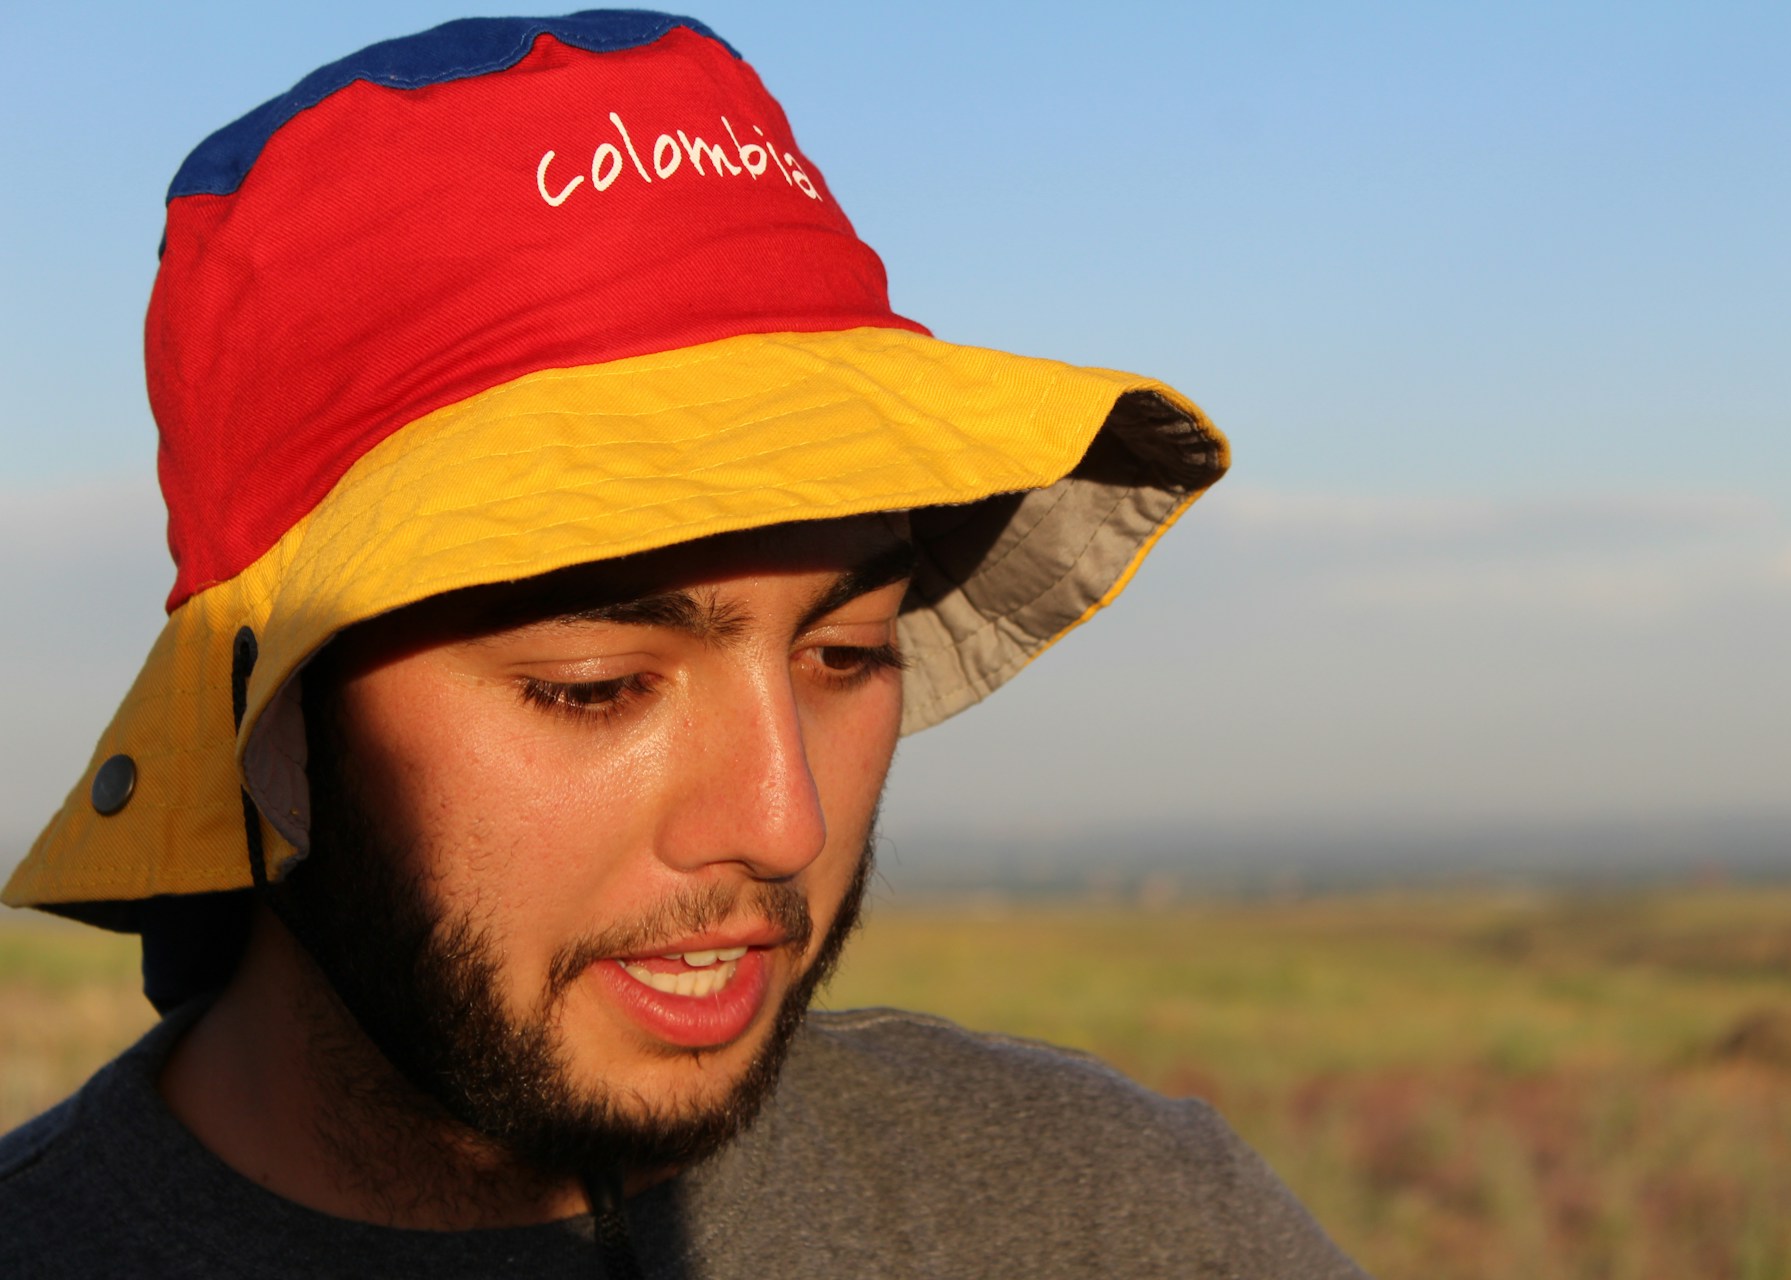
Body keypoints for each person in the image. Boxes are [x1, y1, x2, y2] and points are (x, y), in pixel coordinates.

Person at [0, 12, 1366, 1278]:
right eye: (594, 689)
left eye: (848, 654)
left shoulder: (1122, 1224)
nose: (782, 822)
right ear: (268, 721)